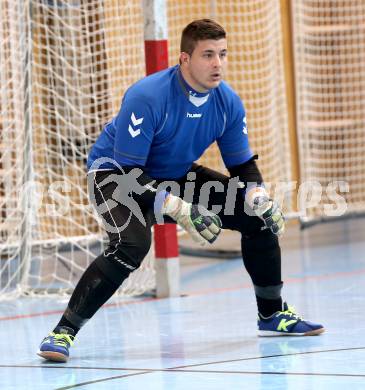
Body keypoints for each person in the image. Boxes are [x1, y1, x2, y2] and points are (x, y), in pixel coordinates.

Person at [38, 19, 324, 363]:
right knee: (131, 245)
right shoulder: (147, 97)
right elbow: (129, 174)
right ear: (184, 60)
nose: (217, 63)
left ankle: (272, 314)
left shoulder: (228, 103)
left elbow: (243, 167)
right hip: (116, 177)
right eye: (207, 55)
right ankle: (62, 332)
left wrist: (258, 196)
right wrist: (177, 207)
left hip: (172, 175)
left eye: (222, 54)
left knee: (257, 218)